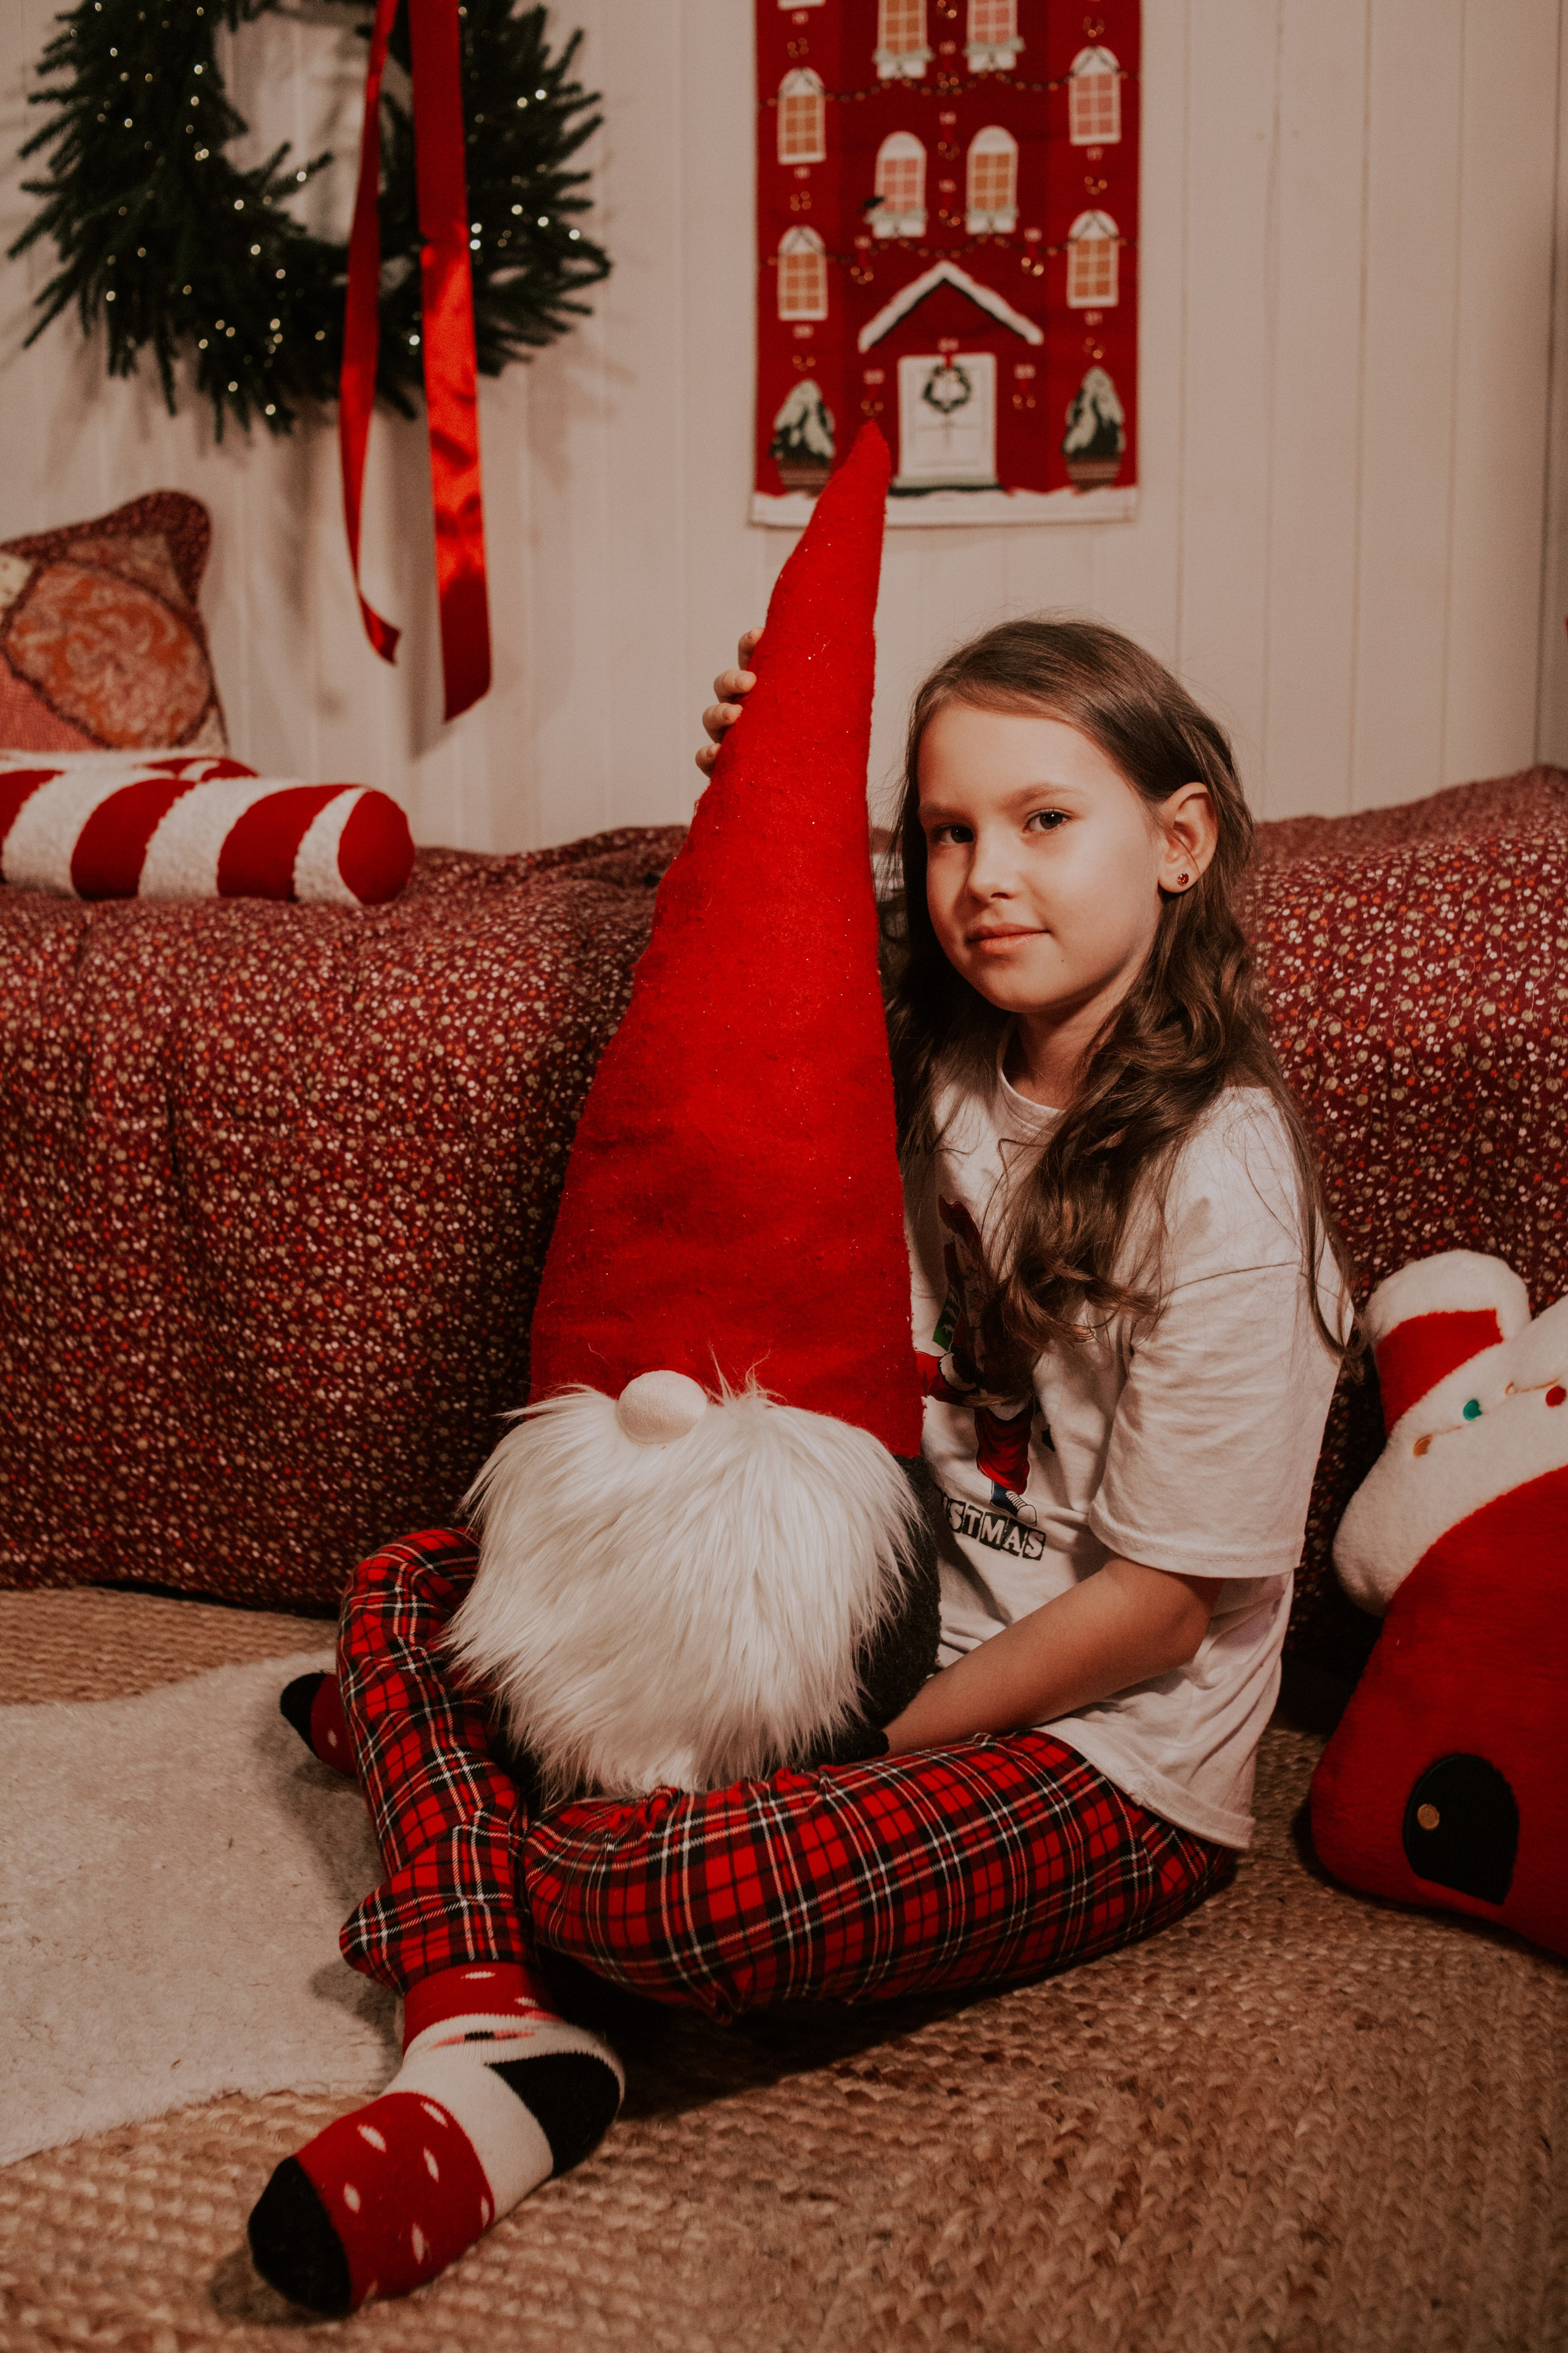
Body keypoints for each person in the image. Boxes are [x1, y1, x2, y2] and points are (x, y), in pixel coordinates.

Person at [249, 616, 1351, 2315]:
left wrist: (852, 1753)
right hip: (874, 1618)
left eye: (1047, 820)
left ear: (1180, 840)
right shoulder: (947, 1054)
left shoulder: (1228, 1183)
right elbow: (793, 919)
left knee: (667, 1879)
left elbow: (1157, 1608)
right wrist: (764, 769)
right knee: (414, 1587)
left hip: (1101, 1748)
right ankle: (496, 2012)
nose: (988, 875)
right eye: (950, 831)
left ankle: (459, 1830)